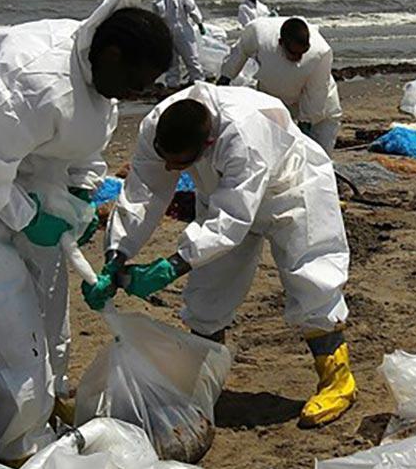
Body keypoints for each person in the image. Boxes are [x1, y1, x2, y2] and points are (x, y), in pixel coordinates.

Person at [0, 0, 173, 463]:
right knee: (2, 294)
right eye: (136, 82)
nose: (138, 94)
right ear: (110, 54)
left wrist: (80, 201)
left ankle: (51, 398)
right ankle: (20, 442)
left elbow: (85, 151)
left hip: (18, 153)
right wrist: (26, 217)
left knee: (49, 287)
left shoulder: (100, 83)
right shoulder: (36, 80)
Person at [84, 82, 356, 428]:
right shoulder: (159, 123)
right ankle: (203, 382)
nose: (170, 170)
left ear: (208, 144)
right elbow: (143, 191)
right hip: (221, 192)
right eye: (165, 158)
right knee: (208, 293)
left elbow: (233, 219)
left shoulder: (243, 136)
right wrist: (116, 254)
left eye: (180, 164)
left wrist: (172, 265)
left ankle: (338, 380)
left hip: (290, 190)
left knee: (311, 279)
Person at [218, 16, 342, 151]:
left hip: (320, 106)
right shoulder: (260, 34)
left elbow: (316, 92)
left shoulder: (321, 52)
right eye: (294, 53)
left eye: (303, 52)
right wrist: (225, 77)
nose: (298, 58)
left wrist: (306, 124)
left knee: (319, 152)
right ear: (280, 42)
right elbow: (239, 52)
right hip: (274, 99)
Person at [154, 0, 206, 88]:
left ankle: (172, 84)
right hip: (183, 28)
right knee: (191, 56)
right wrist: (199, 23)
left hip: (167, 31)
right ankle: (197, 81)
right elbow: (191, 7)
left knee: (172, 61)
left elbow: (156, 18)